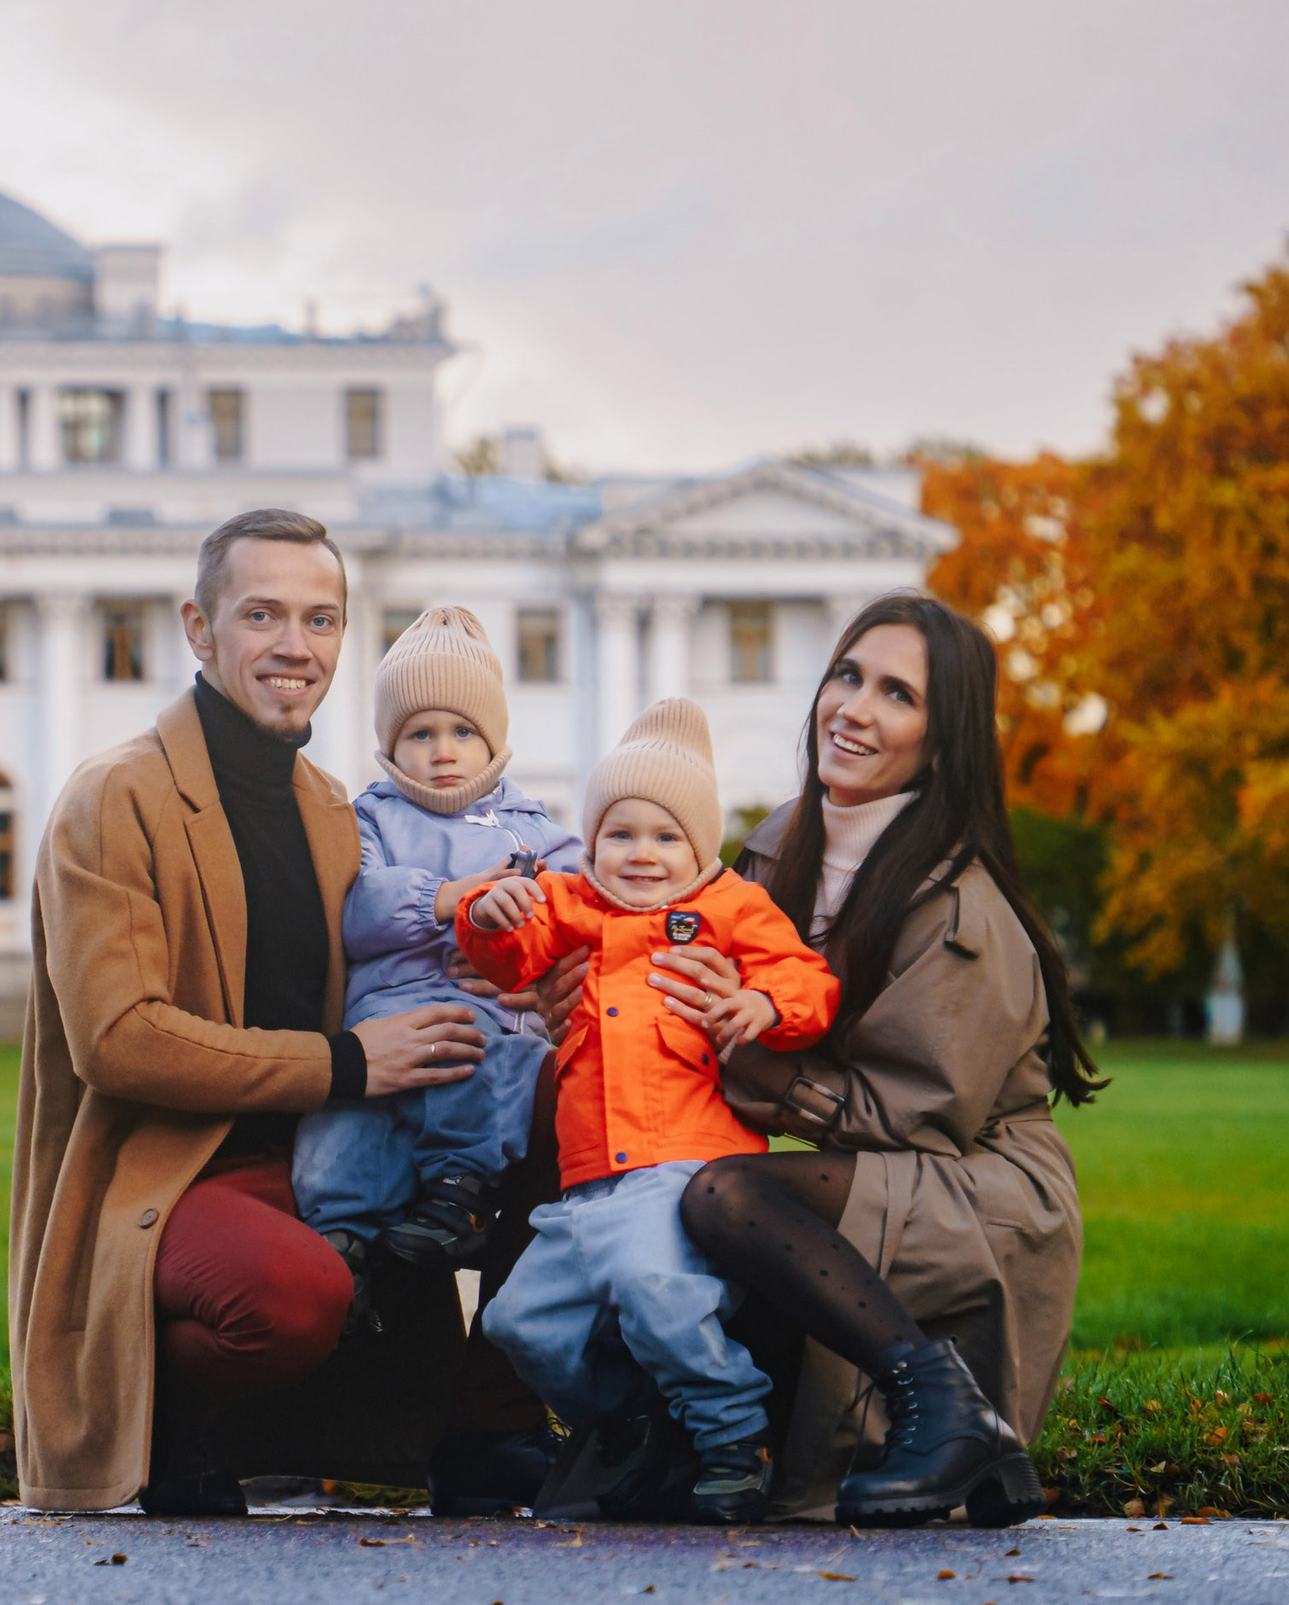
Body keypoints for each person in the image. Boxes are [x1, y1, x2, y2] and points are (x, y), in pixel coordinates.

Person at [7, 508, 587, 1517]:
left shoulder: (337, 811)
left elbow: (413, 955)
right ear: (199, 628)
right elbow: (119, 1040)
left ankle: (487, 1426)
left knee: (566, 1099)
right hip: (175, 1165)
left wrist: (533, 986)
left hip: (334, 1140)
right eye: (262, 614)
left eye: (320, 621)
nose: (293, 646)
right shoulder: (113, 798)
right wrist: (349, 1064)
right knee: (292, 1296)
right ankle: (169, 1423)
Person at [649, 591, 1103, 1525]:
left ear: (942, 744)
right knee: (651, 1181)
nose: (853, 707)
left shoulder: (960, 905)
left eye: (897, 693)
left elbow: (916, 1113)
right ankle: (645, 1434)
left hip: (977, 1181)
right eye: (848, 675)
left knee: (732, 1196)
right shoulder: (780, 847)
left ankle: (941, 1405)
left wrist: (744, 1063)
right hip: (876, 1153)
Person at [457, 699, 841, 1523]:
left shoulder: (731, 907)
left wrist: (762, 1003)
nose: (642, 854)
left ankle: (735, 1434)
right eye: (621, 833)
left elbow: (808, 979)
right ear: (591, 839)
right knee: (518, 1321)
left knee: (657, 1288)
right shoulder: (569, 902)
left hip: (683, 1166)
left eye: (667, 837)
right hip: (587, 1183)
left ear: (699, 849)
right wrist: (482, 912)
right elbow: (506, 949)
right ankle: (627, 1407)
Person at [291, 607, 584, 1306]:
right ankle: (341, 1248)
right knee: (342, 1128)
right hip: (383, 1019)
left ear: (494, 741)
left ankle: (461, 1196)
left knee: (485, 1070)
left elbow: (575, 918)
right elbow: (356, 910)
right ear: (392, 743)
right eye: (420, 732)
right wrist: (449, 898)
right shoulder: (368, 818)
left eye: (463, 731)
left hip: (482, 1015)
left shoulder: (536, 833)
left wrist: (531, 964)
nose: (443, 750)